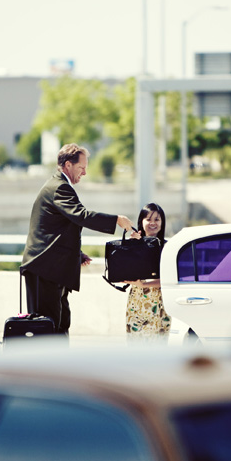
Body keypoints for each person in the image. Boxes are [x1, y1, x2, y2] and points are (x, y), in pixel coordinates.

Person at [21, 143, 135, 335]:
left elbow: (57, 228)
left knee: (60, 323)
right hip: (44, 269)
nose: (84, 173)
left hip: (52, 269)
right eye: (81, 168)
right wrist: (116, 220)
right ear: (67, 165)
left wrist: (76, 253)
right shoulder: (59, 187)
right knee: (48, 327)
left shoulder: (59, 185)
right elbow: (81, 215)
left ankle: (60, 364)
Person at [125, 203, 171, 343]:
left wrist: (144, 283)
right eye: (148, 219)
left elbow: (170, 280)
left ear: (162, 223)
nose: (152, 223)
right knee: (135, 346)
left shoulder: (168, 247)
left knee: (157, 347)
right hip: (137, 302)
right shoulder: (133, 244)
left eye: (157, 219)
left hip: (160, 302)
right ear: (141, 222)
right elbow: (125, 271)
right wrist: (132, 247)